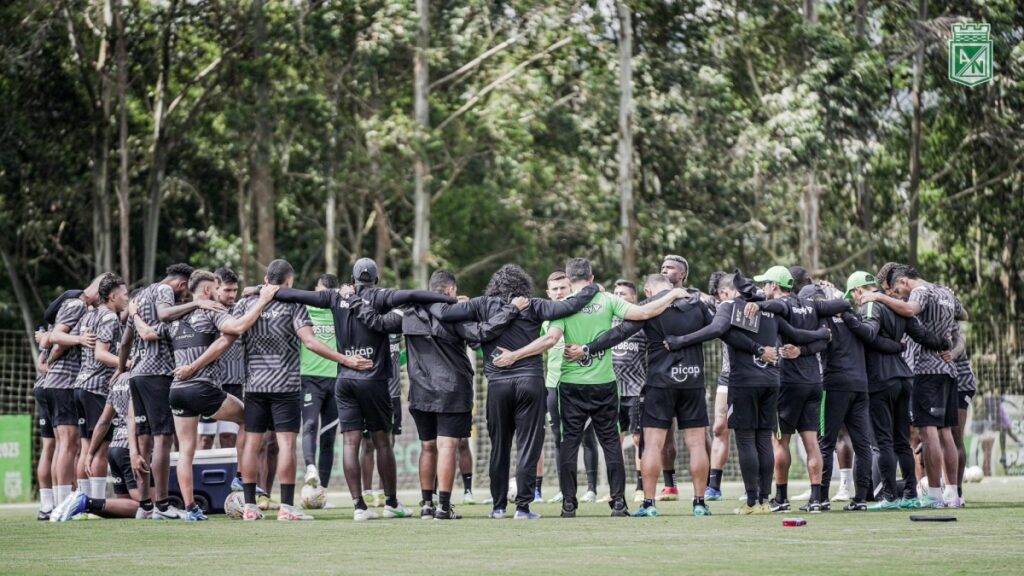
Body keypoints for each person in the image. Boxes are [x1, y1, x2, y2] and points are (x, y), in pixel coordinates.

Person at [273, 257, 453, 521]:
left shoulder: (335, 297)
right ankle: (391, 502)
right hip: (374, 381)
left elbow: (292, 294)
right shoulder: (381, 296)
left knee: (349, 442)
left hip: (344, 379)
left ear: (353, 279)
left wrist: (260, 290)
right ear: (376, 279)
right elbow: (415, 294)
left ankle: (359, 507)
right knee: (382, 442)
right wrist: (449, 300)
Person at [431, 264, 599, 520]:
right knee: (528, 446)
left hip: (498, 385)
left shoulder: (481, 304)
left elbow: (444, 313)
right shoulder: (534, 305)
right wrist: (593, 288)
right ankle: (522, 507)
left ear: (494, 285)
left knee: (499, 446)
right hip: (530, 382)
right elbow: (569, 306)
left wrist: (454, 302)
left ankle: (498, 507)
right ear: (524, 285)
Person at [571, 273, 743, 517]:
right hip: (693, 381)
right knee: (696, 444)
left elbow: (619, 333)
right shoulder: (696, 304)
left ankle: (649, 504)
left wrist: (588, 348)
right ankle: (699, 503)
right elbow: (720, 330)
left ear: (649, 291)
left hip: (660, 383)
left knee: (653, 443)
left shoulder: (648, 308)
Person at [664, 272, 828, 514]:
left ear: (729, 291)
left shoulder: (731, 307)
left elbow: (715, 330)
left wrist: (680, 340)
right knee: (763, 439)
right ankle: (764, 499)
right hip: (772, 381)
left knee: (746, 440)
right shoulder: (769, 309)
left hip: (744, 383)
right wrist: (821, 335)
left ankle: (752, 501)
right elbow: (795, 334)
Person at [540, 257, 689, 518]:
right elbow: (643, 313)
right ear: (592, 278)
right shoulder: (607, 300)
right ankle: (619, 503)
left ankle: (569, 505)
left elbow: (551, 339)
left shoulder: (562, 307)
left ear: (568, 279)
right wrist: (673, 293)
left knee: (569, 444)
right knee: (610, 443)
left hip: (570, 386)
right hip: (605, 385)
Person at [368, 269, 522, 519]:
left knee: (427, 447)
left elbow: (378, 324)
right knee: (448, 446)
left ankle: (426, 505)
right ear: (451, 290)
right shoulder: (454, 314)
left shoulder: (409, 313)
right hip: (453, 389)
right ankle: (444, 506)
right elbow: (481, 334)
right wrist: (511, 310)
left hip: (419, 388)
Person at [747, 265, 849, 513]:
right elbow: (843, 306)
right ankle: (818, 499)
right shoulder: (812, 305)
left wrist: (759, 305)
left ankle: (781, 499)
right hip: (814, 382)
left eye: (765, 285)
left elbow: (777, 306)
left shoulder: (783, 305)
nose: (763, 289)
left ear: (774, 286)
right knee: (812, 441)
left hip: (788, 383)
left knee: (780, 443)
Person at [861, 265, 963, 508]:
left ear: (905, 281)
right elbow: (964, 315)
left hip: (926, 370)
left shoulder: (920, 292)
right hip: (947, 369)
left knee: (928, 432)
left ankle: (935, 495)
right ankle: (953, 493)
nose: (898, 295)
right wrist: (949, 342)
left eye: (897, 290)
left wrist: (877, 296)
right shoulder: (945, 292)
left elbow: (910, 309)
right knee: (946, 432)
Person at [124, 263, 220, 519]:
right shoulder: (165, 292)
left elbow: (126, 337)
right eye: (185, 293)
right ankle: (162, 506)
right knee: (162, 440)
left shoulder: (140, 294)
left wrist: (121, 369)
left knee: (145, 441)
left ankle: (145, 506)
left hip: (137, 374)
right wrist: (197, 304)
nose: (185, 298)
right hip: (158, 373)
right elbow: (165, 315)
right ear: (180, 284)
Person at [38, 276, 102, 515]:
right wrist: (79, 339)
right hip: (63, 383)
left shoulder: (79, 307)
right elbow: (55, 337)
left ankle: (53, 504)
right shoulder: (78, 304)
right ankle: (62, 504)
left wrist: (48, 359)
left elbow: (48, 339)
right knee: (68, 445)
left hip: (53, 383)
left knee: (60, 446)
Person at [537, 271, 600, 506]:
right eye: (554, 289)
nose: (559, 292)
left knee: (586, 436)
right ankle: (565, 489)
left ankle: (592, 489)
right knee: (557, 438)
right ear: (548, 293)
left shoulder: (580, 314)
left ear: (572, 289)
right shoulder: (545, 319)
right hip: (553, 385)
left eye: (563, 288)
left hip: (582, 384)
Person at [52, 373, 142, 521]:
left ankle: (82, 503)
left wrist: (89, 453)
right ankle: (85, 501)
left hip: (115, 448)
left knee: (124, 508)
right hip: (130, 448)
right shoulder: (140, 377)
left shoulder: (118, 381)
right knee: (146, 506)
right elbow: (131, 418)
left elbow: (103, 421)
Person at [73, 273, 128, 502]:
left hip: (80, 386)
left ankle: (81, 502)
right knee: (100, 449)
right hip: (96, 388)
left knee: (86, 448)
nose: (128, 298)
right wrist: (127, 363)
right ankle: (94, 505)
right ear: (113, 296)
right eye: (125, 294)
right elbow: (101, 354)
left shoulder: (89, 316)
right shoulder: (108, 318)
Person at [300, 273, 341, 494]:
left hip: (335, 380)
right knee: (308, 426)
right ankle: (310, 469)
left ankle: (322, 491)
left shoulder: (340, 311)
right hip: (309, 378)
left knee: (329, 436)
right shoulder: (305, 309)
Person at [199, 268, 245, 453]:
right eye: (227, 290)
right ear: (215, 288)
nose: (232, 294)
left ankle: (227, 481)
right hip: (209, 383)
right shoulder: (204, 311)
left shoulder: (241, 310)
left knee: (228, 438)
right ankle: (201, 481)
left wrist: (255, 289)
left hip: (234, 382)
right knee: (204, 439)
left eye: (235, 290)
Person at [655, 255, 689, 500]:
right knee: (666, 432)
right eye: (663, 267)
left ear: (682, 274)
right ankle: (670, 484)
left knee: (698, 434)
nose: (665, 270)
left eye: (671, 268)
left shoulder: (694, 298)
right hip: (662, 374)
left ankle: (709, 485)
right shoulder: (654, 301)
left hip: (690, 372)